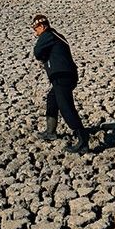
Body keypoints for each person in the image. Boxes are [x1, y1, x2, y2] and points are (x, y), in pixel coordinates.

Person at [31, 14, 89, 153]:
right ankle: (51, 132)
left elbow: (37, 52)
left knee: (66, 107)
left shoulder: (47, 35)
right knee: (52, 99)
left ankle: (83, 140)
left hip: (62, 77)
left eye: (36, 29)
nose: (35, 33)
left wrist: (43, 54)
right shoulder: (56, 36)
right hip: (66, 75)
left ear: (42, 26)